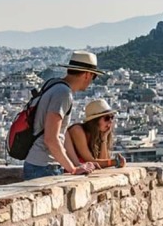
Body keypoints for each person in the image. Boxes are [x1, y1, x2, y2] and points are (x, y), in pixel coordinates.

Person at [23, 51, 103, 180]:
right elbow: (51, 138)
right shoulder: (63, 93)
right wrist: (73, 169)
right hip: (44, 166)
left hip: (40, 164)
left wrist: (76, 164)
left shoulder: (54, 85)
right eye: (94, 77)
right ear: (87, 75)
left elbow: (60, 133)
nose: (92, 82)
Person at [65, 99, 126, 169]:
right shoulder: (77, 130)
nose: (110, 121)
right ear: (95, 121)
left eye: (112, 117)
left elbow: (103, 162)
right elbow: (90, 161)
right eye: (107, 118)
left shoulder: (98, 134)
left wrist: (104, 138)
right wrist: (115, 162)